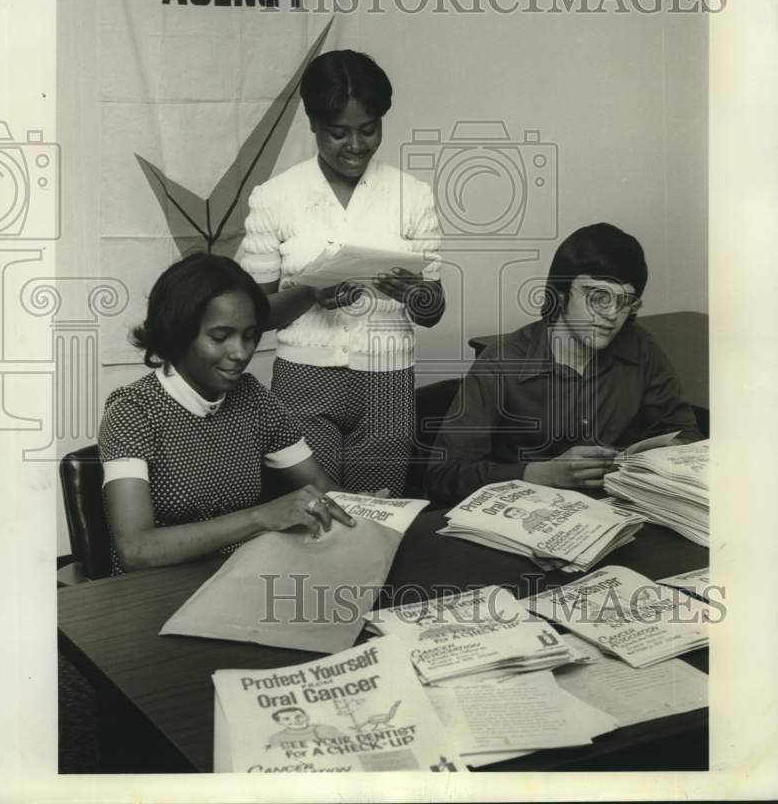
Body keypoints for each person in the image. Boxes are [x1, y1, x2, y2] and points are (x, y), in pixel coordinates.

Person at [237, 49, 444, 497]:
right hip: (303, 379)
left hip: (388, 378)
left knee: (379, 511)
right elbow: (255, 317)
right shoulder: (275, 198)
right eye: (338, 133)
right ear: (312, 124)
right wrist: (311, 291)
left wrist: (415, 293)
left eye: (368, 130)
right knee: (314, 515)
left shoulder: (413, 195)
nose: (355, 146)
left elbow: (433, 311)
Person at [98, 253, 354, 572]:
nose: (241, 352)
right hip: (156, 590)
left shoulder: (254, 398)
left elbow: (321, 487)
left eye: (249, 336)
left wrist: (366, 507)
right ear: (178, 333)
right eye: (220, 337)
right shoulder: (133, 410)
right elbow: (136, 549)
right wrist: (262, 516)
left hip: (240, 574)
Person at [425, 223, 702, 506]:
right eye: (597, 296)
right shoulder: (501, 361)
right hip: (521, 516)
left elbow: (685, 434)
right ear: (560, 292)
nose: (611, 314)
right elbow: (443, 475)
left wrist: (658, 457)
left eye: (624, 301)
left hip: (615, 510)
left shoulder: (641, 348)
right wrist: (537, 474)